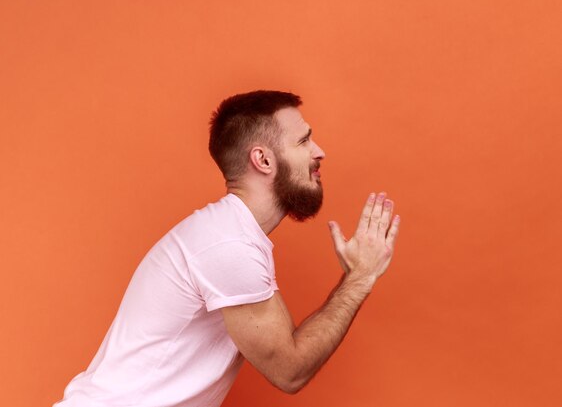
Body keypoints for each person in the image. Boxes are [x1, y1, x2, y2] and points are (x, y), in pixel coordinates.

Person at [53, 90, 400, 407]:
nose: (318, 151)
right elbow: (289, 370)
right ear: (263, 160)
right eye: (304, 141)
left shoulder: (235, 236)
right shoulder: (229, 245)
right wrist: (360, 278)